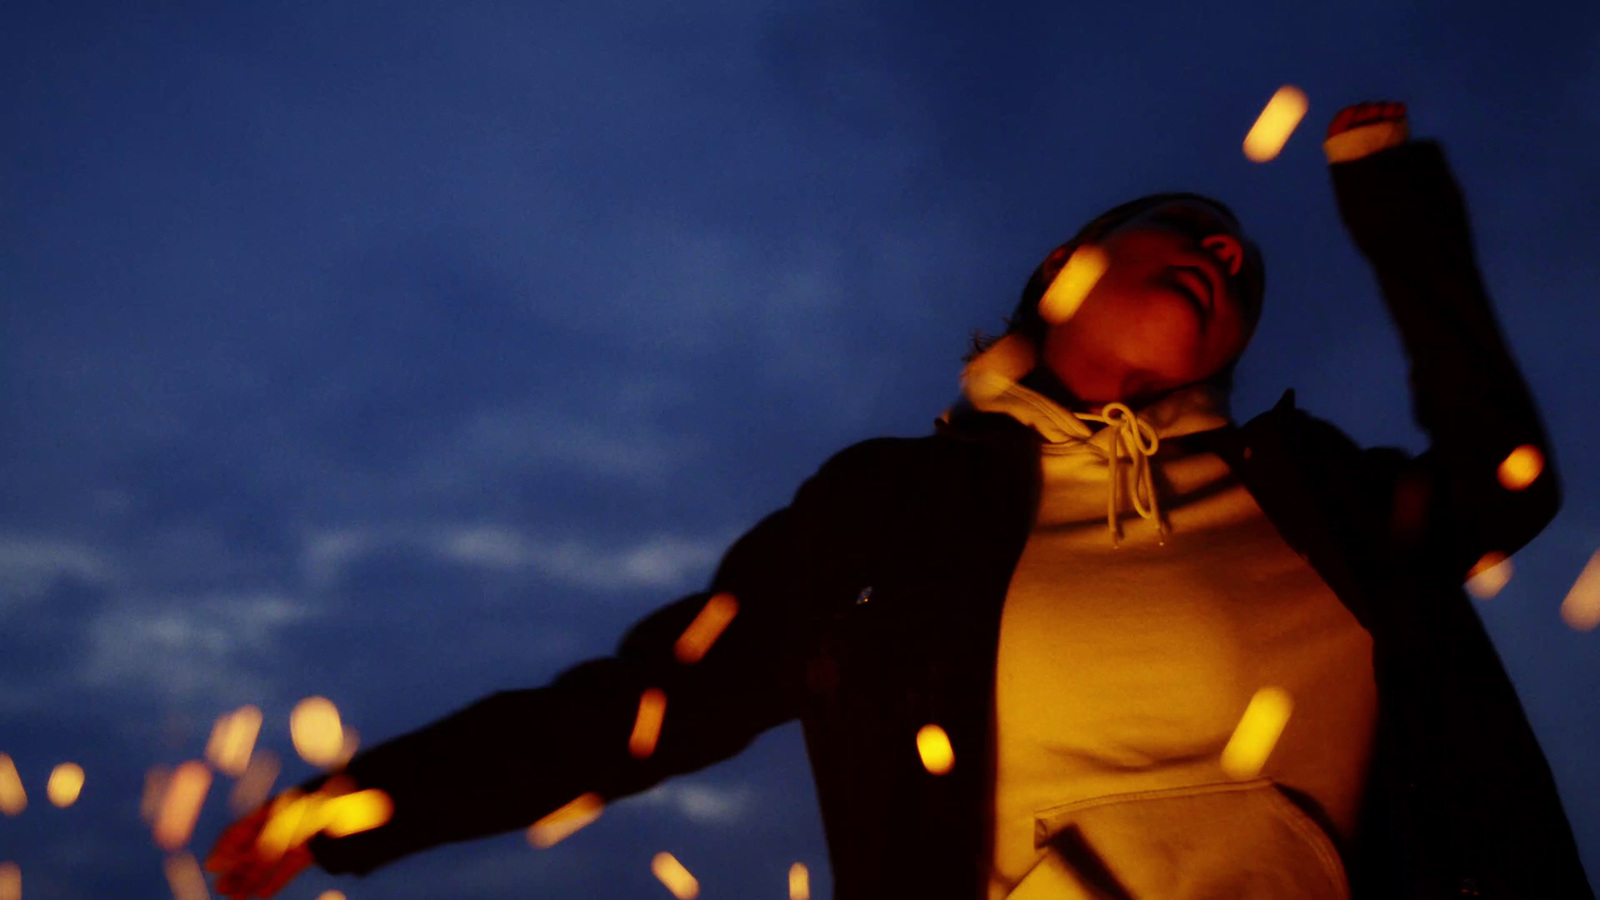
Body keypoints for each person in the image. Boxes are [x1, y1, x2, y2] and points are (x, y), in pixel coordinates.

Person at [205, 102, 1595, 899]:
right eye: (1186, 232)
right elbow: (660, 697)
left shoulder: (1324, 499)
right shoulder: (900, 511)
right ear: (1066, 267)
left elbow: (1502, 488)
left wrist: (1395, 209)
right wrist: (357, 805)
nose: (1225, 252)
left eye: (1241, 270)